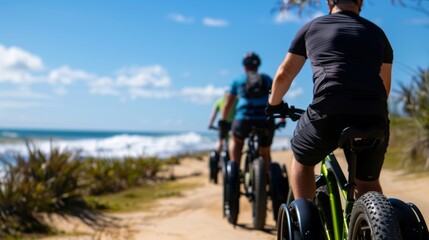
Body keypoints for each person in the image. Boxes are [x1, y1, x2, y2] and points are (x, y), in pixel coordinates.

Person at [266, 0, 393, 201]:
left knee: (302, 162)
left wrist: (274, 104)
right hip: (374, 114)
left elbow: (285, 73)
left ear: (329, 2)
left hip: (329, 110)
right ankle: (376, 226)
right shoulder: (378, 34)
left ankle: (307, 224)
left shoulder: (312, 27)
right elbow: (385, 85)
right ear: (360, 2)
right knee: (367, 182)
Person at [219, 52, 280, 170]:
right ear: (258, 66)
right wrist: (281, 119)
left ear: (244, 66)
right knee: (265, 150)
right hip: (265, 120)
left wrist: (224, 121)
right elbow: (278, 98)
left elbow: (228, 104)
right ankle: (268, 177)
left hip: (244, 120)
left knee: (236, 142)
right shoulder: (267, 79)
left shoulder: (238, 80)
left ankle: (235, 171)